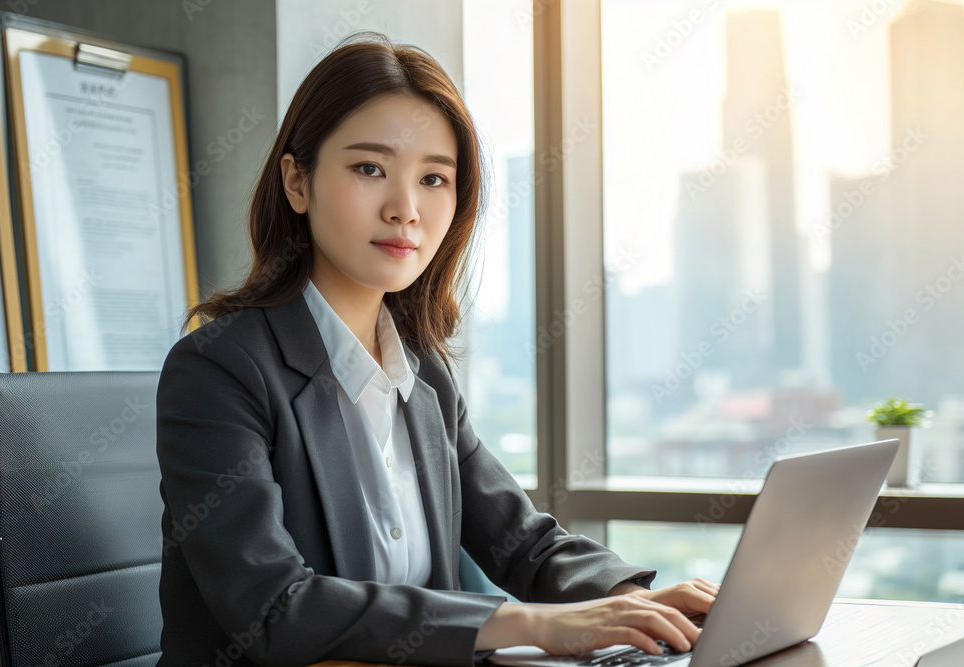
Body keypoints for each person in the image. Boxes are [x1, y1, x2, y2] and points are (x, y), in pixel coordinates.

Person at [155, 30, 718, 667]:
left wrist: (630, 598)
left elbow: (520, 541)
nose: (405, 209)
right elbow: (273, 609)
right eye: (369, 169)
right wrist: (535, 624)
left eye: (433, 178)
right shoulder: (219, 370)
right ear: (297, 182)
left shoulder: (423, 373)